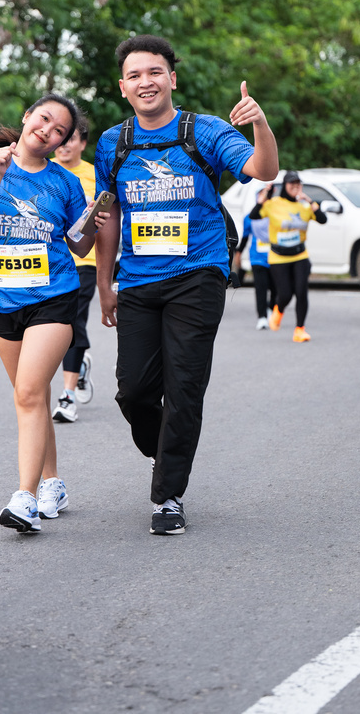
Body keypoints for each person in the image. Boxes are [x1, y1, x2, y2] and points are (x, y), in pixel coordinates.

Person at [94, 35, 278, 535]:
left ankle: (168, 496)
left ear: (171, 79)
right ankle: (168, 450)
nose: (146, 82)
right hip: (137, 279)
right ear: (123, 88)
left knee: (184, 387)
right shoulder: (112, 143)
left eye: (155, 72)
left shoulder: (206, 131)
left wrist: (260, 124)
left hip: (198, 274)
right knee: (133, 391)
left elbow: (263, 170)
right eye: (135, 75)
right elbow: (107, 216)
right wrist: (105, 283)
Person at [0, 96, 109, 533]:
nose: (48, 130)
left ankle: (24, 499)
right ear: (27, 118)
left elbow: (79, 244)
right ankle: (53, 482)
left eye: (59, 129)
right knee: (34, 398)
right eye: (44, 119)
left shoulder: (65, 182)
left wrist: (92, 224)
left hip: (53, 297)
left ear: (63, 141)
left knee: (27, 393)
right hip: (1, 300)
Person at [51, 113, 97, 422]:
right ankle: (78, 364)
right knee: (54, 326)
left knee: (74, 321)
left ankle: (67, 396)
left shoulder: (95, 175)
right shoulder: (43, 170)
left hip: (84, 261)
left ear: (82, 143)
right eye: (61, 138)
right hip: (49, 263)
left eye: (71, 139)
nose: (64, 145)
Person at [250, 171, 327, 342]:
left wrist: (310, 201)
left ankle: (300, 330)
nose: (295, 186)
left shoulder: (304, 206)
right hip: (279, 257)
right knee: (285, 294)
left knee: (301, 291)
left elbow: (323, 219)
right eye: (292, 183)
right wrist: (264, 196)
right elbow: (253, 215)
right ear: (285, 186)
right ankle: (278, 311)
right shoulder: (274, 204)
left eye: (298, 183)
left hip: (300, 255)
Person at [234, 194, 276, 329]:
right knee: (261, 288)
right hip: (257, 258)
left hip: (276, 257)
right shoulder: (250, 217)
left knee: (277, 288)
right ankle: (262, 317)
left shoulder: (276, 214)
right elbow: (245, 238)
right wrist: (238, 254)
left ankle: (271, 308)